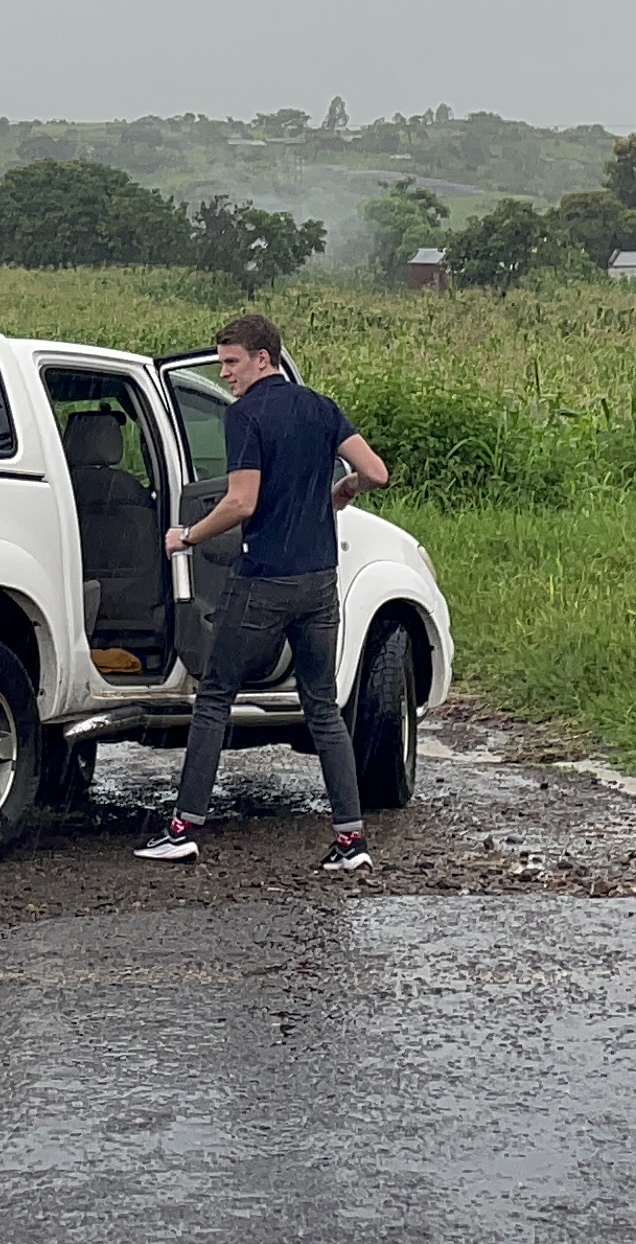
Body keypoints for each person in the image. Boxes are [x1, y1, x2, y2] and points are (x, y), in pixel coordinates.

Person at [136, 310, 392, 872]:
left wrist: (186, 537)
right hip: (320, 583)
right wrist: (343, 486)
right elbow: (376, 472)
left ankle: (183, 828)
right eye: (222, 362)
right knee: (322, 707)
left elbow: (240, 502)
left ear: (262, 358)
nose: (225, 373)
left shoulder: (246, 416)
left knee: (215, 698)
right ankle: (352, 841)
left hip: (261, 582)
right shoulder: (322, 408)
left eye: (231, 362)